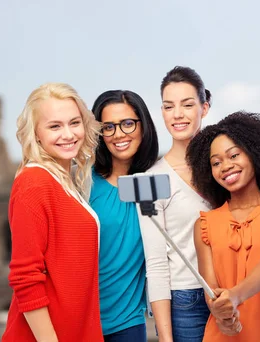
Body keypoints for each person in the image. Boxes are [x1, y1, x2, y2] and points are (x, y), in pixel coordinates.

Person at [187, 112, 260, 341]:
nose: (226, 167)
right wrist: (221, 314)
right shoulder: (204, 225)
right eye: (216, 163)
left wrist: (236, 296)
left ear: (254, 154)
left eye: (234, 155)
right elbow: (212, 291)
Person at [1, 83, 103, 342]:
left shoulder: (63, 181)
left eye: (74, 123)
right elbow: (26, 277)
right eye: (55, 126)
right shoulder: (33, 183)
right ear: (35, 134)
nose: (68, 134)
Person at [138, 66, 212, 342]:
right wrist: (166, 338)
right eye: (169, 106)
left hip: (232, 296)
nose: (178, 114)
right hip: (185, 304)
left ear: (204, 108)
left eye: (187, 104)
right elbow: (155, 265)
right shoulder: (150, 180)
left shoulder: (226, 168)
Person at [89, 90, 159, 341]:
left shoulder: (155, 182)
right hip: (80, 320)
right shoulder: (83, 183)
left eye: (128, 123)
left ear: (143, 126)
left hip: (128, 323)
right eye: (108, 127)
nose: (118, 134)